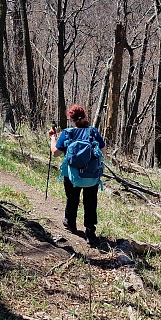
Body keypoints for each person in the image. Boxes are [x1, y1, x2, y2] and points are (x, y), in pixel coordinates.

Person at [49, 104, 106, 248]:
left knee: (72, 198)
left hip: (72, 175)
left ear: (71, 119)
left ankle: (70, 222)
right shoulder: (93, 132)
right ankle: (90, 232)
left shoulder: (68, 133)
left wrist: (52, 138)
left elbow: (55, 153)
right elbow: (104, 152)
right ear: (85, 117)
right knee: (91, 201)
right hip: (92, 176)